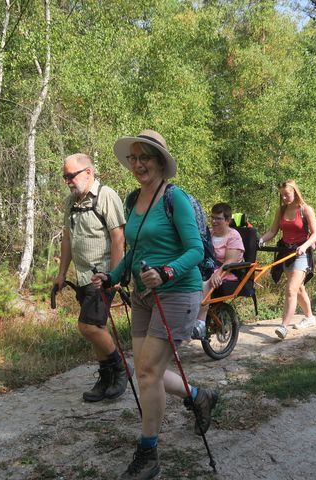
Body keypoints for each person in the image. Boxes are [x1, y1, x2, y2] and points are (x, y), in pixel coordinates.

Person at [91, 130, 218, 480]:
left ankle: (149, 455)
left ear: (160, 161)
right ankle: (199, 396)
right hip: (145, 296)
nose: (137, 164)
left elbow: (195, 250)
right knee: (151, 372)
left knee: (146, 373)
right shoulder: (135, 200)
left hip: (177, 293)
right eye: (133, 158)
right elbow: (134, 251)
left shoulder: (174, 199)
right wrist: (112, 276)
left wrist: (166, 270)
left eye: (144, 157)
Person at [52, 153, 128, 403]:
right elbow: (68, 238)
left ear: (88, 172)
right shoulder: (70, 202)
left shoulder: (106, 195)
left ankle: (120, 369)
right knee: (97, 328)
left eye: (70, 176)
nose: (68, 181)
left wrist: (114, 276)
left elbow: (118, 237)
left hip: (102, 276)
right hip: (83, 276)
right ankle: (105, 379)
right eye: (65, 177)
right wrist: (62, 273)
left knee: (87, 326)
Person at [259, 180, 316, 339]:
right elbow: (273, 231)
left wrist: (305, 246)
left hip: (301, 253)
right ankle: (310, 317)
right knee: (299, 288)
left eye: (287, 194)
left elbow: (315, 234)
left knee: (291, 289)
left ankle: (283, 326)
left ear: (295, 192)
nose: (284, 197)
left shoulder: (306, 210)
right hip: (286, 252)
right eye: (282, 195)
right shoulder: (281, 210)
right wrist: (261, 240)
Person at [193, 202, 245, 338]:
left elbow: (230, 261)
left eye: (218, 218)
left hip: (227, 272)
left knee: (206, 283)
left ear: (227, 220)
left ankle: (200, 323)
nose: (214, 221)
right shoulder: (208, 234)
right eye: (212, 218)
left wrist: (217, 273)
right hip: (209, 268)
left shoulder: (233, 236)